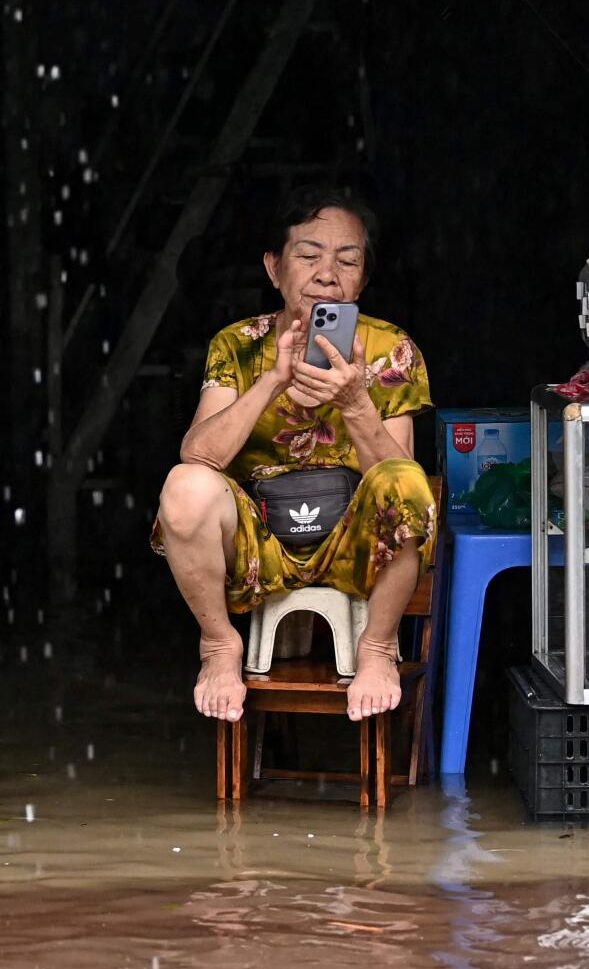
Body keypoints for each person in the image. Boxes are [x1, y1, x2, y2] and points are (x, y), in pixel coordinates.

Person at [153, 188, 436, 725]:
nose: (327, 273)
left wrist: (354, 402)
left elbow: (402, 479)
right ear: (274, 268)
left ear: (362, 279)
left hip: (353, 544)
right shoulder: (237, 344)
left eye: (347, 260)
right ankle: (218, 646)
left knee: (406, 482)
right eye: (308, 256)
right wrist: (272, 382)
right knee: (184, 486)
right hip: (259, 543)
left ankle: (376, 648)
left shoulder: (389, 348)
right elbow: (199, 453)